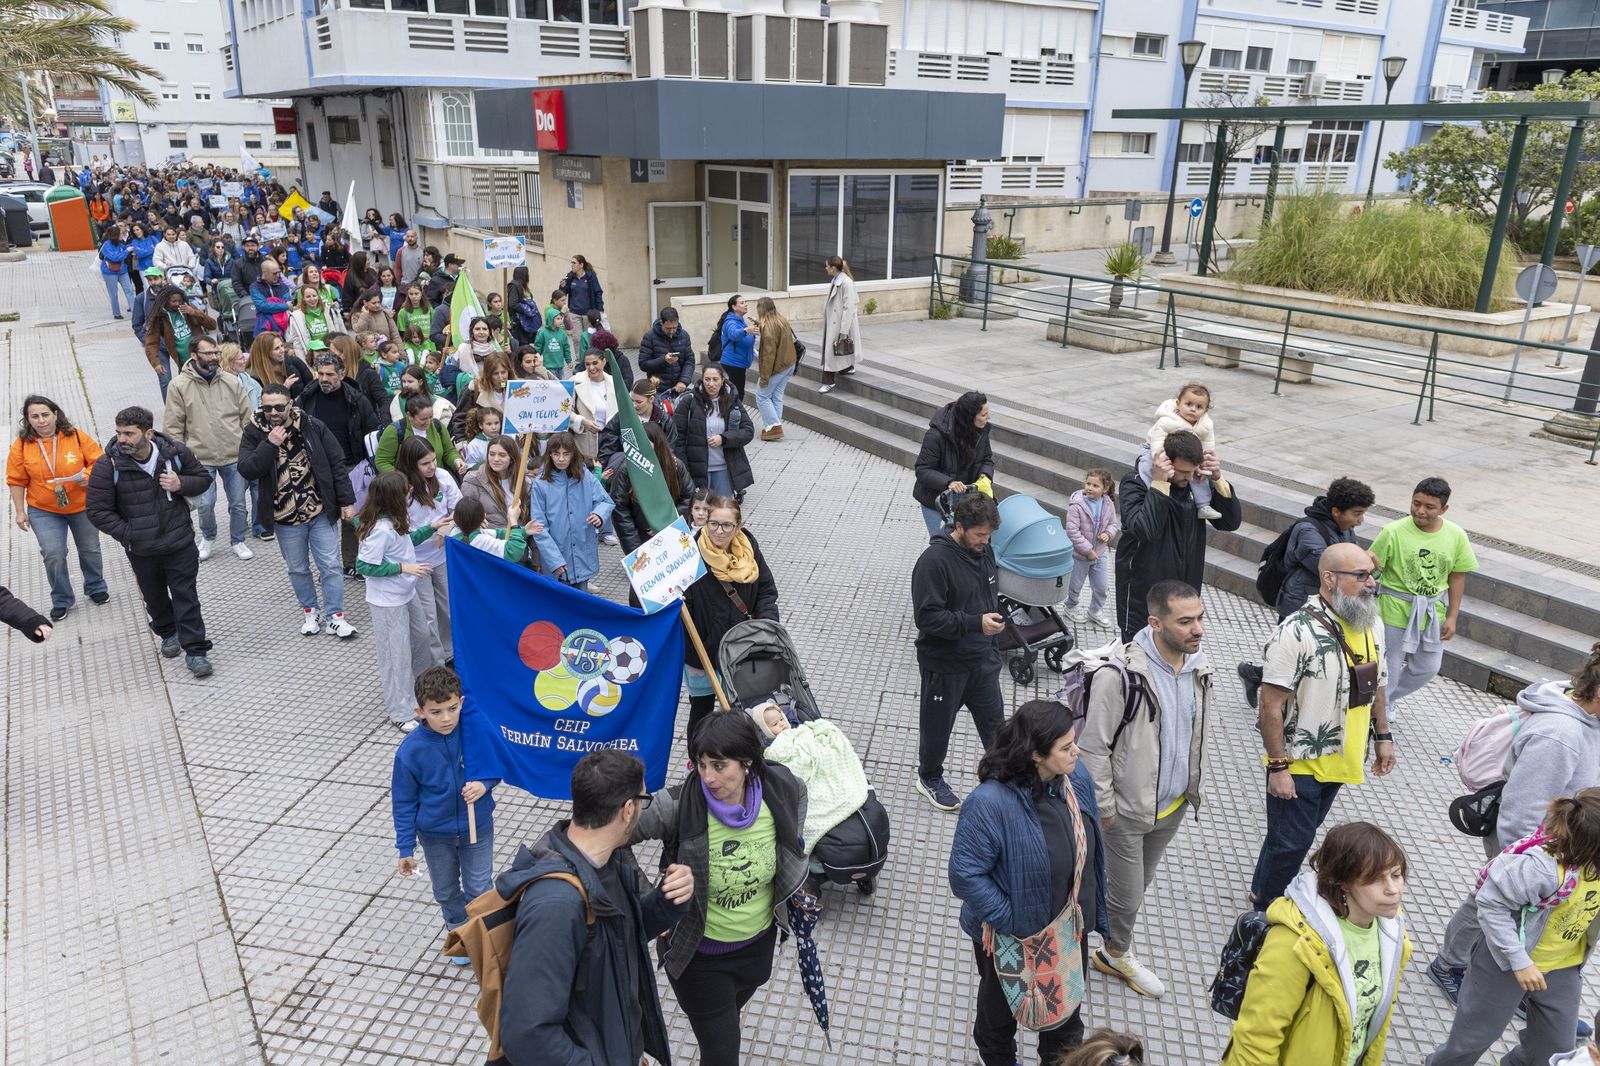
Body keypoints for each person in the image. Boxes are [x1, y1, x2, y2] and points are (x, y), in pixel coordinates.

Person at [628, 712, 811, 1066]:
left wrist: (794, 853)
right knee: (722, 1053)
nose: (707, 777)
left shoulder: (781, 786)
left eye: (718, 765)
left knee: (726, 1020)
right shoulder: (678, 805)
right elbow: (614, 837)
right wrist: (651, 903)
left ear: (747, 761)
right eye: (700, 764)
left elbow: (800, 798)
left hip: (758, 947)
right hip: (699, 959)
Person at [498, 749, 693, 1066]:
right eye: (644, 800)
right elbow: (527, 1035)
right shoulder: (555, 905)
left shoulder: (607, 860)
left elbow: (616, 938)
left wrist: (666, 903)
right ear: (628, 810)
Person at [1429, 643, 1600, 998]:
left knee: (1517, 907)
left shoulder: (1589, 722)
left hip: (1562, 843)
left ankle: (1509, 978)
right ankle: (1450, 963)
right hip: (1529, 842)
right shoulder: (1560, 735)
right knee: (1491, 899)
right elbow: (1521, 811)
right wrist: (1520, 865)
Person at [948, 699, 1110, 1065]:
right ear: (1036, 755)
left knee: (1066, 1025)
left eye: (1074, 742)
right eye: (1066, 747)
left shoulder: (1074, 777)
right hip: (1010, 937)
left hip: (1067, 932)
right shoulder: (989, 803)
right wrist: (1016, 923)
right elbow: (965, 875)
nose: (1076, 751)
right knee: (997, 1020)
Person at [1079, 580, 1210, 999]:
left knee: (1135, 885)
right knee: (1128, 896)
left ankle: (1108, 936)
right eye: (1185, 621)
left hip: (1171, 808)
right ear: (1155, 623)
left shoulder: (1197, 665)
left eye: (1201, 617)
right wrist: (1105, 809)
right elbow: (1093, 747)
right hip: (1126, 812)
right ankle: (1115, 953)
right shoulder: (1119, 675)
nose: (1197, 629)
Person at [1249, 542, 1397, 909]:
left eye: (1371, 575)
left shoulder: (1371, 622)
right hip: (1299, 765)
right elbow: (1270, 703)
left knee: (1292, 837)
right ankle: (1266, 910)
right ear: (1329, 579)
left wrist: (1383, 736)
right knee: (1291, 843)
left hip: (1342, 759)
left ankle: (1261, 889)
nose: (1370, 584)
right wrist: (1278, 767)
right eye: (1360, 576)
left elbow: (1378, 682)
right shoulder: (1295, 632)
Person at [1427, 790, 1600, 1066]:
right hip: (1507, 962)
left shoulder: (1594, 862)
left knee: (1553, 1048)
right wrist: (1519, 962)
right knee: (1472, 1040)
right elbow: (1489, 902)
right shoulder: (1543, 868)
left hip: (1564, 966)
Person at [1224, 822, 1411, 1066]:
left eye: (1396, 875)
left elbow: (1371, 1027)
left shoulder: (1392, 935)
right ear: (1344, 882)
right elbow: (1255, 1040)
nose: (1393, 889)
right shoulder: (1295, 942)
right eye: (1375, 879)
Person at [85, 405, 215, 677]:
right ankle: (168, 632)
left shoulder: (175, 454)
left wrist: (181, 485)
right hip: (142, 550)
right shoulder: (107, 465)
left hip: (179, 542)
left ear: (148, 433)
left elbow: (203, 479)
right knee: (155, 598)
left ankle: (195, 651)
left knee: (186, 596)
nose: (122, 439)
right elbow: (97, 511)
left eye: (129, 434)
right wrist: (129, 534)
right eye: (119, 433)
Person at [392, 665, 498, 961]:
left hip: (477, 824)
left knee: (480, 886)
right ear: (420, 711)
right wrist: (405, 847)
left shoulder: (474, 731)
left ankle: (482, 934)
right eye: (436, 712)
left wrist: (485, 784)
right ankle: (458, 934)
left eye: (453, 708)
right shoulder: (410, 751)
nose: (447, 718)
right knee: (446, 890)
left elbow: (498, 762)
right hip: (435, 834)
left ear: (461, 702)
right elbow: (403, 801)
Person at [237, 382, 358, 638]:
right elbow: (247, 469)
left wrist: (346, 501)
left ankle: (335, 616)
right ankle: (310, 611)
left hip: (319, 511)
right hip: (284, 518)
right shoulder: (254, 432)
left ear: (290, 404)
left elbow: (336, 463)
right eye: (267, 407)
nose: (273, 412)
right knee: (298, 568)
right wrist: (269, 444)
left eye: (279, 406)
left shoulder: (311, 425)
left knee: (330, 565)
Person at [911, 492, 1004, 812]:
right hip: (944, 665)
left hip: (983, 662)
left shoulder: (986, 550)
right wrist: (975, 623)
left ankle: (1003, 779)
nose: (985, 541)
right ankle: (929, 777)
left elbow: (989, 595)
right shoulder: (933, 562)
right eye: (979, 535)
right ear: (959, 526)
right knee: (936, 730)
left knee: (997, 730)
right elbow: (927, 618)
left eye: (989, 535)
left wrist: (992, 643)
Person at [1114, 429, 1242, 642]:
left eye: (1193, 471)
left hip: (1184, 597)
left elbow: (1229, 522)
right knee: (1140, 664)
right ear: (1165, 462)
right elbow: (1145, 529)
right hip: (1143, 598)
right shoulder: (1135, 483)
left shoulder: (1194, 483)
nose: (1189, 477)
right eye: (1183, 472)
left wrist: (1218, 480)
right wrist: (1159, 484)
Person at [1372, 476, 1478, 716]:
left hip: (1432, 612)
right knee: (1390, 668)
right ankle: (1381, 710)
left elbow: (1457, 576)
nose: (1420, 511)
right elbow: (1372, 567)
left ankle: (1385, 699)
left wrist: (1452, 616)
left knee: (1428, 668)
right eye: (1416, 503)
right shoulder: (1392, 531)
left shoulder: (1456, 535)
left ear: (1444, 509)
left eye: (1429, 507)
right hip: (1393, 609)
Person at [680, 495, 779, 737]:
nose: (719, 531)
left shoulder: (749, 551)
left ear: (738, 526)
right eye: (713, 523)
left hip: (743, 649)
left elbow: (766, 591)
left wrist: (764, 627)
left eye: (727, 525)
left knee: (745, 708)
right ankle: (698, 762)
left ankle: (740, 759)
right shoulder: (687, 555)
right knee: (701, 712)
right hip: (702, 652)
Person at [7, 395, 108, 620]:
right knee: (53, 553)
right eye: (35, 416)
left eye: (45, 414)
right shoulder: (22, 446)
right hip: (43, 509)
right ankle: (62, 599)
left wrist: (88, 476)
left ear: (56, 414)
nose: (41, 420)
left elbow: (100, 462)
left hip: (82, 504)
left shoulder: (76, 436)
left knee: (90, 548)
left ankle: (96, 586)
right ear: (27, 419)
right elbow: (15, 479)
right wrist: (20, 511)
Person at [356, 470, 444, 727]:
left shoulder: (395, 520)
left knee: (421, 637)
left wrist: (431, 527)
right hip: (387, 601)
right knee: (396, 656)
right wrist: (403, 569)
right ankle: (401, 712)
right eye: (407, 490)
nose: (411, 492)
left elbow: (404, 544)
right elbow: (364, 566)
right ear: (396, 496)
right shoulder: (381, 530)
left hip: (407, 593)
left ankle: (418, 693)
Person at [162, 333, 253, 561]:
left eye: (216, 353)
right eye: (208, 353)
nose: (214, 357)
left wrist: (248, 447)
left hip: (234, 454)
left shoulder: (232, 381)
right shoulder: (179, 385)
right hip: (200, 458)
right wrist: (179, 460)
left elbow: (247, 417)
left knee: (239, 503)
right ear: (194, 355)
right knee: (205, 503)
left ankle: (238, 540)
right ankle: (209, 537)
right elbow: (173, 426)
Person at [1276, 477, 1376, 621]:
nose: (1361, 520)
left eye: (1362, 514)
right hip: (1301, 606)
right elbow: (1328, 566)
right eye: (1357, 513)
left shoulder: (1345, 528)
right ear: (1336, 512)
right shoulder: (1308, 531)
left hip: (1329, 603)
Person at [528, 431, 612, 591]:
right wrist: (554, 560)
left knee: (582, 603)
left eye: (566, 454)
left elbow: (605, 501)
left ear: (573, 454)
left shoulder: (585, 476)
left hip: (582, 552)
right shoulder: (541, 483)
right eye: (556, 454)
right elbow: (539, 527)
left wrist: (599, 514)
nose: (561, 459)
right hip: (558, 556)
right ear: (550, 455)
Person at [912, 390, 994, 537]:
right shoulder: (936, 435)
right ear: (970, 417)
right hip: (935, 499)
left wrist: (985, 475)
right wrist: (948, 482)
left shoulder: (981, 431)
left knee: (964, 539)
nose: (988, 417)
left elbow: (986, 459)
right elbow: (923, 470)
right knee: (940, 540)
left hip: (965, 498)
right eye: (983, 415)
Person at [672, 365, 754, 500]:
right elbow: (677, 435)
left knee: (722, 510)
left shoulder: (732, 400)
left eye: (715, 379)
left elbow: (748, 430)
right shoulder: (689, 401)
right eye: (707, 379)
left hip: (724, 467)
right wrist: (684, 466)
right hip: (696, 469)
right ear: (702, 380)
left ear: (722, 380)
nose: (711, 384)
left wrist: (724, 439)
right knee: (701, 512)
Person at [610, 422, 693, 553]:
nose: (642, 447)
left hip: (671, 530)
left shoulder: (675, 466)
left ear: (657, 443)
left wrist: (667, 523)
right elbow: (620, 510)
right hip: (641, 536)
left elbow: (688, 497)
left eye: (646, 442)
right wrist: (635, 549)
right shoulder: (626, 471)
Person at [1064, 469, 1119, 627]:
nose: (1089, 488)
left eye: (1095, 485)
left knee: (1101, 586)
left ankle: (1095, 610)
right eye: (1088, 483)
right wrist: (1088, 550)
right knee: (1075, 585)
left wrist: (1108, 534)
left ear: (1105, 489)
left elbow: (1113, 523)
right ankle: (1071, 606)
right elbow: (1072, 532)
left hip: (1100, 554)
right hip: (1080, 555)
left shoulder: (1108, 502)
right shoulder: (1077, 505)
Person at [375, 393, 463, 476]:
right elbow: (382, 461)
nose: (428, 422)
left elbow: (449, 451)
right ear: (409, 415)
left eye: (431, 417)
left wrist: (456, 460)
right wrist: (401, 480)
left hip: (437, 481)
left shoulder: (437, 426)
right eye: (423, 419)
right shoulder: (394, 431)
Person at [597, 378, 676, 471]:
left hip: (653, 471)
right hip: (623, 469)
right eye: (631, 400)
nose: (634, 405)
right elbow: (607, 441)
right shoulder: (622, 416)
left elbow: (669, 450)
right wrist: (606, 466)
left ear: (651, 399)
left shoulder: (664, 421)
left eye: (638, 402)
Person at [461, 434, 531, 532]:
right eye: (492, 454)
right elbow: (465, 516)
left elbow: (529, 520)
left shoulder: (525, 482)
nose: (496, 459)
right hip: (490, 541)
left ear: (512, 458)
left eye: (502, 455)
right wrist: (475, 520)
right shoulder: (473, 481)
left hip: (518, 540)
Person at [752, 296, 799, 441]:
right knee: (777, 396)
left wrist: (764, 378)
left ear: (762, 309)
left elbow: (768, 356)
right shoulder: (781, 320)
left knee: (762, 395)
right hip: (789, 363)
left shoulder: (768, 327)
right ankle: (774, 425)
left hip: (777, 367)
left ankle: (773, 427)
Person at [145, 284, 217, 378]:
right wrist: (156, 363)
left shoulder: (187, 308)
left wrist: (194, 312)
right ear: (166, 301)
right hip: (184, 364)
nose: (177, 303)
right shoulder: (160, 317)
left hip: (203, 359)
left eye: (179, 300)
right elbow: (151, 343)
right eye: (173, 301)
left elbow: (212, 325)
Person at [819, 254, 860, 393]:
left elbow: (849, 308)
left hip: (839, 323)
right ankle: (847, 367)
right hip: (834, 321)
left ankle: (828, 381)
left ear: (833, 268)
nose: (825, 268)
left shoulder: (846, 282)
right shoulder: (836, 279)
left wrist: (843, 330)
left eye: (827, 266)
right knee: (834, 349)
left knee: (830, 352)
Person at [569, 350, 616, 465]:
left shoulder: (614, 382)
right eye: (587, 364)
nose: (591, 367)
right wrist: (582, 421)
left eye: (595, 363)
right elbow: (563, 411)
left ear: (604, 361)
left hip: (611, 442)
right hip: (585, 444)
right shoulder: (574, 382)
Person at [637, 306, 695, 395]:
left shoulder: (684, 335)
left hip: (678, 388)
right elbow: (643, 364)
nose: (672, 331)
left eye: (674, 328)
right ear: (661, 323)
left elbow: (689, 361)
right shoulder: (649, 337)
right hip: (657, 388)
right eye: (668, 328)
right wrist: (664, 360)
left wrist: (684, 381)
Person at [286, 284, 345, 361]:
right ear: (303, 299)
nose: (312, 299)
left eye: (314, 295)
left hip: (331, 352)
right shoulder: (297, 316)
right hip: (312, 355)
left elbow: (339, 331)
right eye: (308, 297)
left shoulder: (329, 311)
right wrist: (304, 361)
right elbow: (297, 342)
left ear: (318, 296)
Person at [716, 294, 758, 398]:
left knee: (737, 393)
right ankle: (732, 412)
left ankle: (732, 411)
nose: (746, 305)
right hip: (733, 362)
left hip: (739, 362)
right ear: (734, 307)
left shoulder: (740, 320)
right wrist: (746, 330)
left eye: (745, 302)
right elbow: (734, 334)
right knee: (737, 394)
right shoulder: (730, 322)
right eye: (742, 303)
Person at [389, 364, 455, 425]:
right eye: (403, 381)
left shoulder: (439, 406)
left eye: (410, 381)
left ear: (420, 382)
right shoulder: (398, 399)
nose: (406, 385)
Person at [97, 224, 135, 319]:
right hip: (109, 271)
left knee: (129, 290)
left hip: (122, 270)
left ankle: (135, 311)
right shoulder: (106, 245)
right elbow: (114, 258)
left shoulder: (120, 244)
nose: (122, 236)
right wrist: (126, 251)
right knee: (113, 293)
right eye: (120, 234)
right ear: (115, 235)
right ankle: (116, 313)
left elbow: (124, 249)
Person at [249, 257, 294, 337]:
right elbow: (262, 306)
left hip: (284, 324)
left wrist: (273, 306)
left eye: (279, 272)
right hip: (265, 324)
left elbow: (287, 300)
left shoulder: (282, 285)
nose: (278, 275)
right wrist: (285, 306)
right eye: (274, 273)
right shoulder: (254, 287)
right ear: (264, 273)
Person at [560, 253, 604, 326]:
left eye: (574, 263)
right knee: (577, 337)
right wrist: (562, 286)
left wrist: (600, 310)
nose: (572, 265)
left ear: (581, 265)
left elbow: (598, 293)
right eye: (571, 263)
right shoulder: (570, 276)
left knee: (587, 337)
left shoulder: (590, 277)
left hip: (588, 314)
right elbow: (563, 294)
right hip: (574, 314)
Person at [533, 295, 571, 376]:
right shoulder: (542, 332)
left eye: (561, 318)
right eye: (557, 319)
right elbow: (538, 347)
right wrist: (535, 360)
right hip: (548, 367)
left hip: (560, 366)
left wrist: (569, 361)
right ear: (550, 319)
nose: (560, 321)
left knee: (560, 386)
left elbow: (566, 348)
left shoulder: (562, 333)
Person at [340, 251, 380, 315]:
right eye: (367, 260)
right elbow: (347, 295)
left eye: (369, 259)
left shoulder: (372, 272)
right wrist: (346, 310)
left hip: (375, 306)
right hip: (359, 309)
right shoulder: (351, 277)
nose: (369, 262)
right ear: (361, 262)